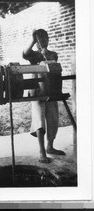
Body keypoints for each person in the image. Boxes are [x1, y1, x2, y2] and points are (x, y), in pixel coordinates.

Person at [22, 29, 65, 163]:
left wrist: (47, 56)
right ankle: (42, 152)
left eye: (45, 38)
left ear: (48, 39)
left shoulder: (53, 54)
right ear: (36, 43)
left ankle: (50, 147)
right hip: (37, 92)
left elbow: (53, 65)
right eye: (40, 39)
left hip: (52, 90)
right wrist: (33, 39)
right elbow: (24, 53)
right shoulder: (33, 56)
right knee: (39, 121)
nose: (43, 41)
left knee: (52, 119)